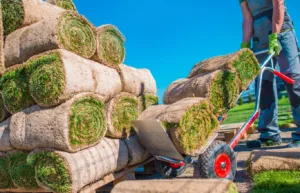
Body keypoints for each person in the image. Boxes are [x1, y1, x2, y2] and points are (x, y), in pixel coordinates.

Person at [239, 0, 300, 148]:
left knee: (293, 80)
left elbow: (278, 4)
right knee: (264, 85)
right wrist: (245, 45)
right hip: (259, 40)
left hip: (282, 32)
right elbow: (248, 18)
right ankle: (269, 134)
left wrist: (275, 34)